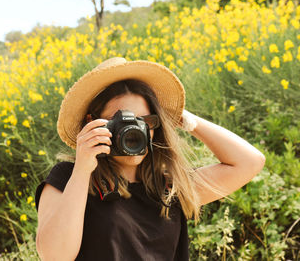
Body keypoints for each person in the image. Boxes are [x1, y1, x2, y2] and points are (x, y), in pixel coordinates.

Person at [34, 57, 265, 261]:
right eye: (121, 122)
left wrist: (181, 117)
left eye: (143, 121)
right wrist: (83, 169)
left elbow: (250, 162)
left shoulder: (170, 188)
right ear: (93, 123)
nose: (134, 130)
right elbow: (54, 256)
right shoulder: (69, 178)